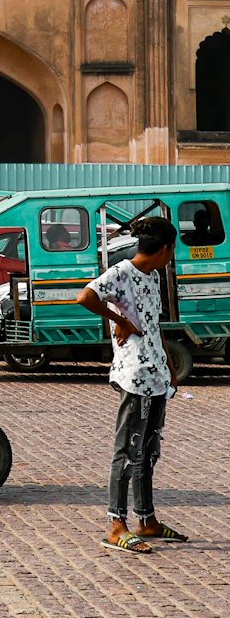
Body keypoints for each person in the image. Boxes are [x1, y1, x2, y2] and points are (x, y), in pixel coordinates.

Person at [77, 216, 187, 553]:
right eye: (173, 249)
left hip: (156, 374)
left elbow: (152, 324)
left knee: (149, 450)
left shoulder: (152, 276)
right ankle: (115, 524)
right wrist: (119, 319)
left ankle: (146, 519)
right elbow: (85, 297)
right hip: (134, 375)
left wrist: (167, 360)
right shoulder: (122, 273)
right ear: (167, 247)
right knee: (126, 450)